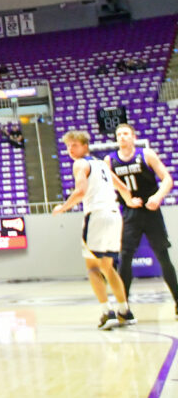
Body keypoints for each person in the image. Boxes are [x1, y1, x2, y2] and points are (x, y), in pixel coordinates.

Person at [54, 129, 137, 328]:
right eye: (67, 146)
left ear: (84, 146)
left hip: (97, 216)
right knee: (107, 268)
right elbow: (124, 189)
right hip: (115, 215)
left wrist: (63, 208)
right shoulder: (102, 164)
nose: (70, 149)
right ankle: (125, 311)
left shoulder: (80, 164)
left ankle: (106, 312)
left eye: (74, 145)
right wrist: (131, 202)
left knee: (92, 268)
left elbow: (80, 191)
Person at [106, 123, 178, 315]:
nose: (122, 137)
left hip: (151, 210)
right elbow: (106, 185)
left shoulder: (146, 154)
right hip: (130, 213)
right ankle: (124, 306)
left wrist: (158, 197)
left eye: (126, 133)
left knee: (163, 256)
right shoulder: (110, 160)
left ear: (134, 137)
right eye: (119, 134)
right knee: (125, 257)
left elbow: (168, 179)